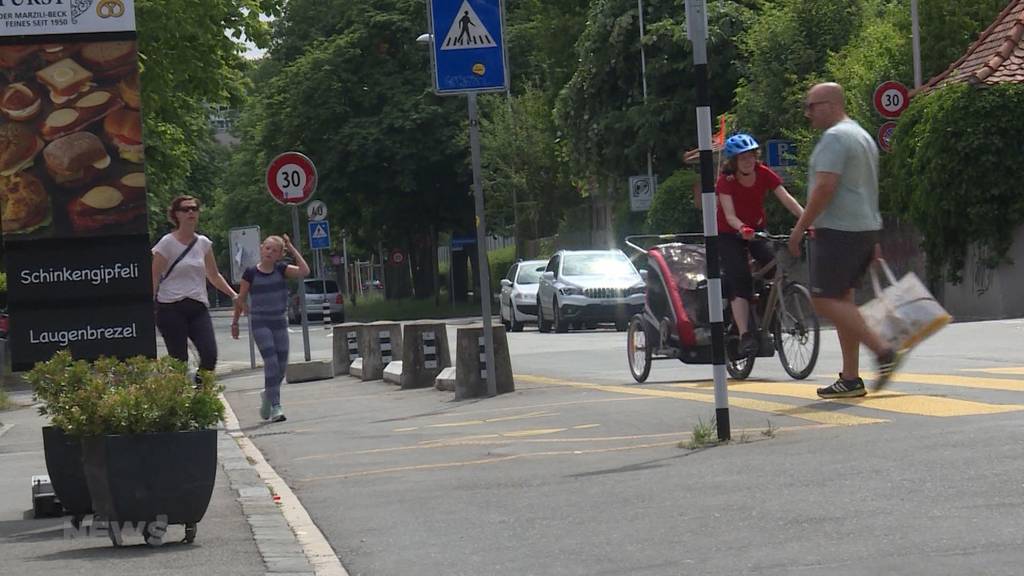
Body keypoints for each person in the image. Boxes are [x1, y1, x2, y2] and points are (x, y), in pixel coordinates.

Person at [787, 82, 904, 399]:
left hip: (838, 231)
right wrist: (873, 237)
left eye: (811, 105)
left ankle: (883, 350)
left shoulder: (835, 138)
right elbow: (865, 188)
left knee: (824, 300)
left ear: (830, 104)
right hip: (862, 230)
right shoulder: (862, 135)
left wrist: (799, 228)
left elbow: (824, 189)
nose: (807, 113)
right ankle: (850, 378)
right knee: (843, 300)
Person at [716, 133, 805, 356]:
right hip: (730, 233)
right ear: (733, 162)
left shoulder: (764, 174)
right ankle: (745, 332)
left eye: (751, 156)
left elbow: (787, 199)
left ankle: (765, 316)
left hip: (756, 230)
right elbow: (729, 215)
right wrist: (741, 229)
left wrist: (806, 221)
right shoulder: (725, 182)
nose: (748, 161)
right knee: (740, 279)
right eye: (742, 158)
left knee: (774, 267)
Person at [152, 195, 238, 375]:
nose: (191, 212)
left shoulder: (203, 243)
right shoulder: (166, 243)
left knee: (209, 355)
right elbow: (153, 277)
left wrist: (234, 295)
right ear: (176, 215)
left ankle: (199, 392)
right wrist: (148, 306)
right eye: (185, 209)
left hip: (197, 306)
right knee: (179, 360)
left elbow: (214, 276)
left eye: (194, 209)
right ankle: (180, 397)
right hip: (170, 307)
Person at [231, 234, 310, 423]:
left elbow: (304, 271)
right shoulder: (251, 273)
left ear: (279, 255)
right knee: (271, 363)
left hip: (279, 322)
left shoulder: (281, 270)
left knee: (281, 366)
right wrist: (235, 322)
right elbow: (240, 299)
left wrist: (291, 247)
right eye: (267, 248)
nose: (270, 252)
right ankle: (276, 406)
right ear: (261, 248)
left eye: (275, 250)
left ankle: (268, 396)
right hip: (260, 322)